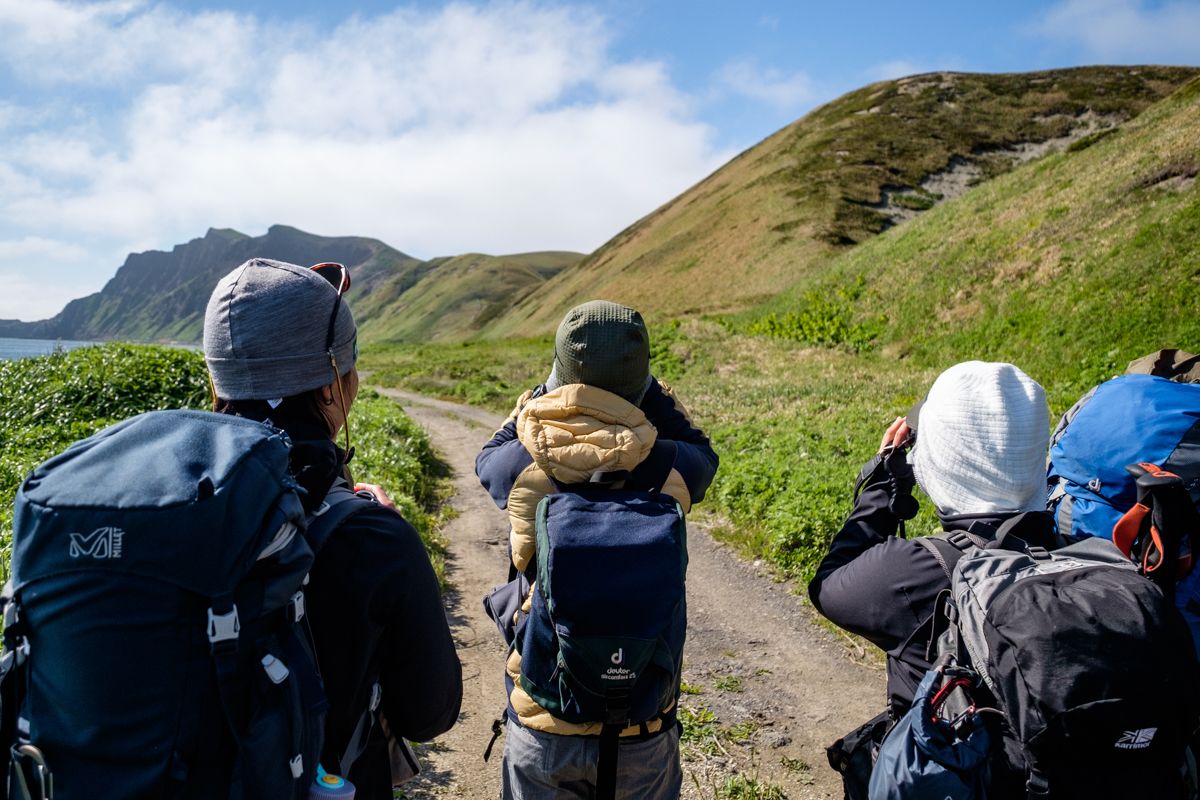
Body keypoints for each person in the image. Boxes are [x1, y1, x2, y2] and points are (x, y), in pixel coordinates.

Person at [203, 257, 462, 796]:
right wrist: (384, 533)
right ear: (332, 386)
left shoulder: (169, 503)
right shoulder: (373, 540)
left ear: (215, 377)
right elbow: (430, 713)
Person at [475, 300, 718, 799]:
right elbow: (702, 451)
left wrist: (540, 397)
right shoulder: (671, 465)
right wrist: (650, 397)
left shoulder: (520, 463)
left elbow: (487, 457)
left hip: (543, 720)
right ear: (643, 382)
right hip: (642, 721)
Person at [809, 361, 1052, 797]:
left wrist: (881, 484)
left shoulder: (916, 570)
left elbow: (829, 587)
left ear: (943, 457)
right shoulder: (1081, 550)